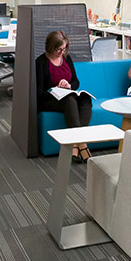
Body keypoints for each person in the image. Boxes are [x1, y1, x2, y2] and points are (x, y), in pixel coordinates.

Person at [35, 31, 92, 163]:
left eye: (64, 48)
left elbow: (76, 82)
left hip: (66, 94)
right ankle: (82, 145)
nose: (62, 52)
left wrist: (68, 86)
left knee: (85, 99)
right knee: (70, 101)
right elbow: (39, 92)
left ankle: (75, 146)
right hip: (48, 100)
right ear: (50, 47)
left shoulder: (67, 58)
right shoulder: (41, 62)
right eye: (59, 49)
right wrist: (55, 89)